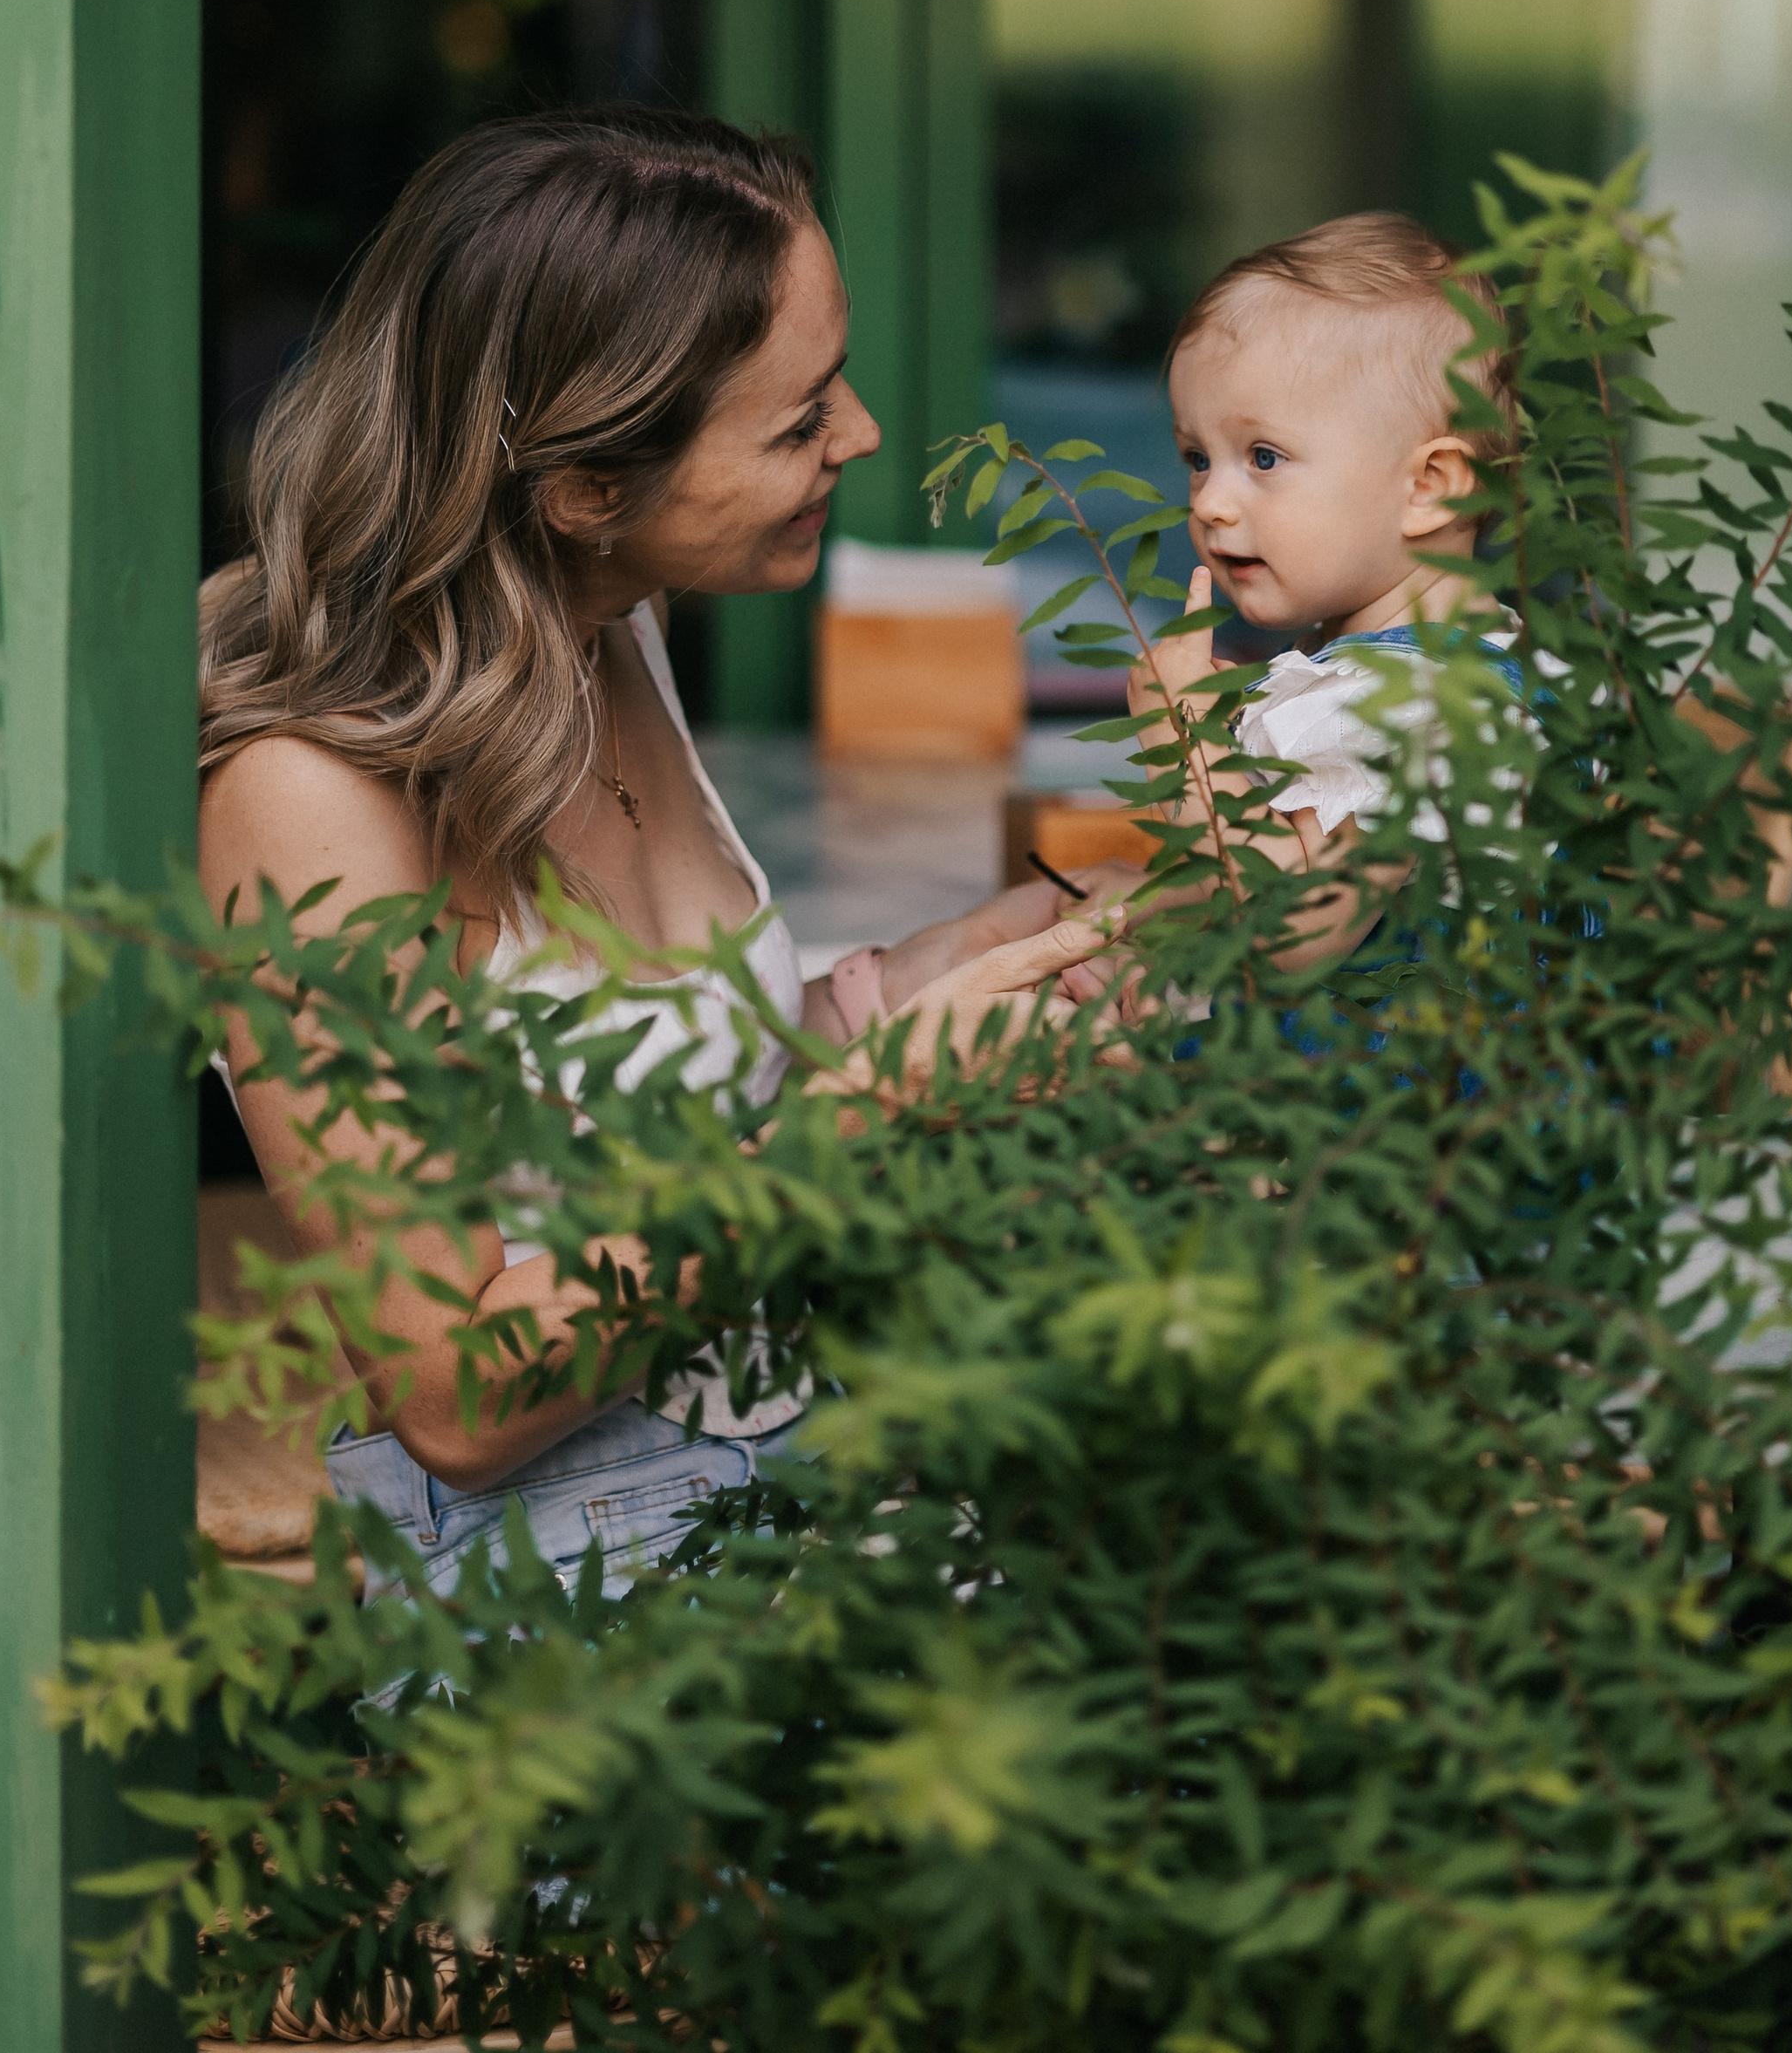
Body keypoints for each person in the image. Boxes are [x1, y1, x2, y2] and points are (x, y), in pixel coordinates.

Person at [201, 107, 1121, 1599]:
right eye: (800, 416)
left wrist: (979, 959)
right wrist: (865, 1126)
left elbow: (680, 1094)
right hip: (582, 1592)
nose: (864, 433)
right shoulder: (309, 797)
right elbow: (454, 1394)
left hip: (808, 1474)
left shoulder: (610, 623)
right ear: (582, 492)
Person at [1128, 212, 1521, 996]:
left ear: (1427, 487)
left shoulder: (1388, 705)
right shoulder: (1485, 668)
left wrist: (1182, 739)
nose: (1210, 503)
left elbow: (1284, 932)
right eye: (1198, 459)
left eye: (1263, 457)